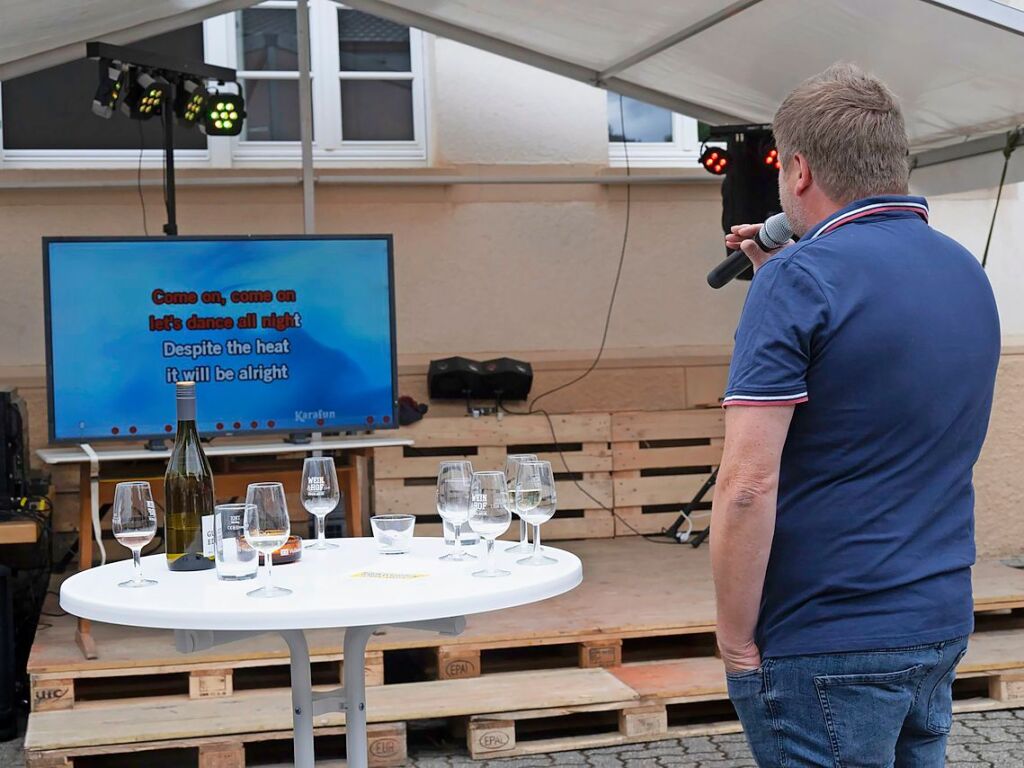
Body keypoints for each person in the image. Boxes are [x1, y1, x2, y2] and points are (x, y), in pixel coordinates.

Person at [711, 62, 1000, 767]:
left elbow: (747, 484)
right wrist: (784, 273)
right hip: (935, 621)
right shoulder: (965, 270)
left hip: (825, 636)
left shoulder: (798, 279)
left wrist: (734, 638)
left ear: (800, 170)